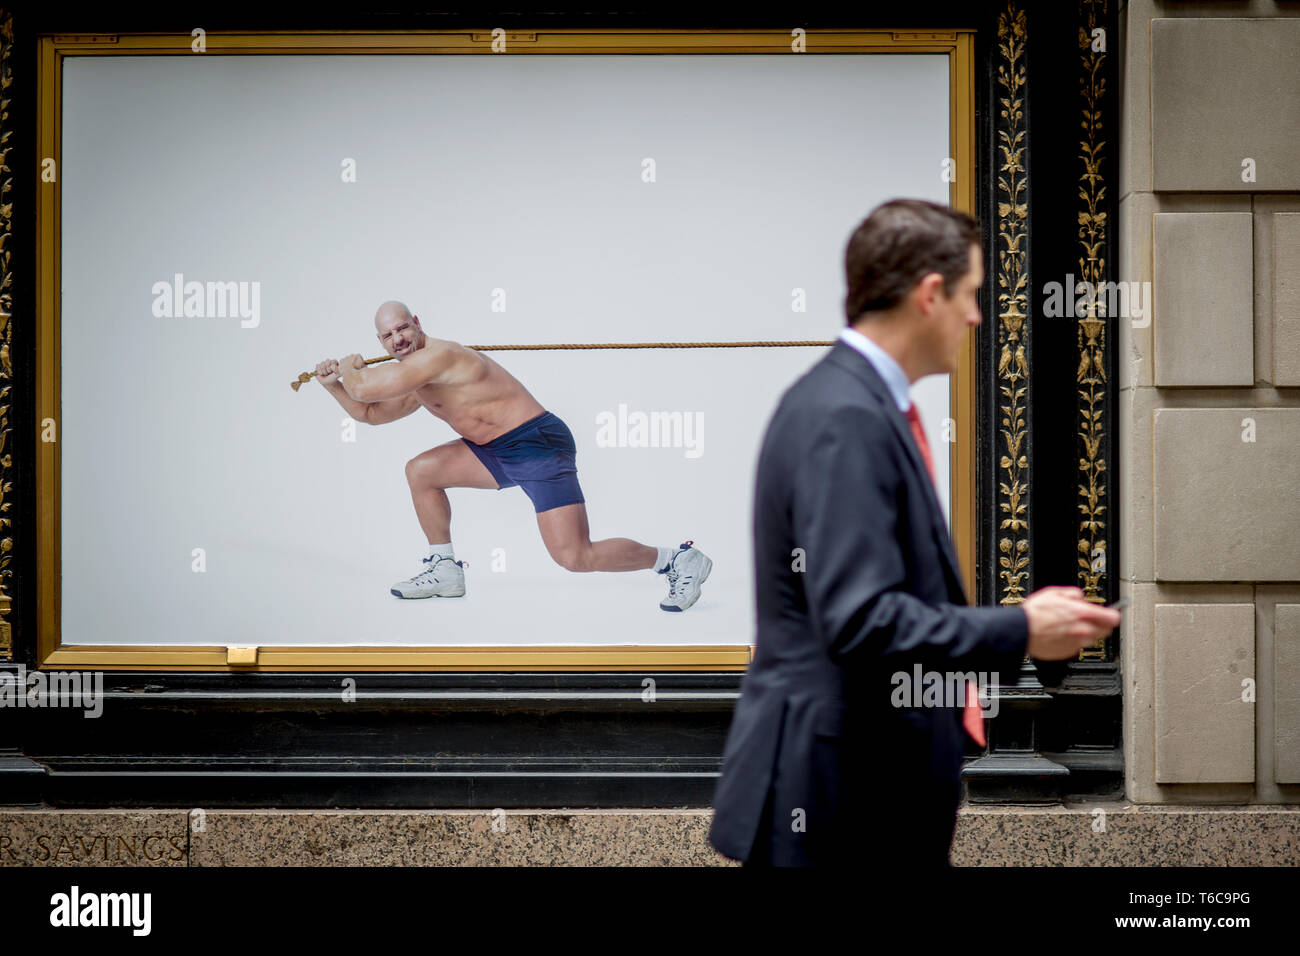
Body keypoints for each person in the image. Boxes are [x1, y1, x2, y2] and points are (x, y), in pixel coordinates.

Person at [707, 199, 1120, 866]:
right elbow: (860, 619)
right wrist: (1019, 629)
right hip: (840, 808)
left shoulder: (855, 403)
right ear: (930, 295)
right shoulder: (847, 416)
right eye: (971, 295)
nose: (977, 316)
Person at [314, 300, 711, 610]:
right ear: (381, 341)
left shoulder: (439, 357)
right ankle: (445, 569)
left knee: (575, 556)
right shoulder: (417, 379)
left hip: (536, 442)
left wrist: (351, 369)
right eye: (388, 335)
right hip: (493, 450)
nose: (397, 339)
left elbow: (366, 389)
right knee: (421, 471)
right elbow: (369, 413)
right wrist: (335, 385)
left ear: (416, 322)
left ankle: (675, 561)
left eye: (402, 327)